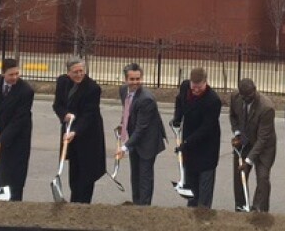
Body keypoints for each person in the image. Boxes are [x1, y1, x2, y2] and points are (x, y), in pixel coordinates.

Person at [52, 57, 106, 204]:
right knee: (74, 172)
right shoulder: (63, 82)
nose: (79, 74)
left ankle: (83, 206)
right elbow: (57, 105)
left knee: (87, 175)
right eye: (75, 72)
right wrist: (64, 115)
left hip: (89, 136)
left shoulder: (92, 88)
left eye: (81, 71)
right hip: (70, 135)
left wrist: (75, 131)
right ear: (68, 73)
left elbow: (89, 115)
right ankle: (74, 204)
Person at [115, 62, 166, 205]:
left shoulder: (146, 99)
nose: (135, 82)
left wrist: (125, 147)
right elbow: (127, 110)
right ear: (126, 79)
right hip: (134, 139)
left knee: (144, 177)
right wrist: (122, 125)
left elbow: (141, 128)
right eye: (132, 79)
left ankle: (144, 209)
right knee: (135, 175)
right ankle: (136, 204)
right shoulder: (123, 90)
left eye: (138, 79)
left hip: (148, 142)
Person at [171, 66, 222, 208]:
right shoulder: (185, 87)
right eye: (194, 87)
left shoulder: (213, 101)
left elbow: (206, 128)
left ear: (205, 82)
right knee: (191, 189)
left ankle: (203, 215)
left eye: (199, 87)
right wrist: (177, 117)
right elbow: (179, 101)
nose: (196, 90)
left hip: (206, 149)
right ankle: (191, 213)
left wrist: (187, 142)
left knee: (204, 191)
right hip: (189, 146)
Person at [0, 58, 33, 201]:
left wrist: (1, 141)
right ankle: (1, 201)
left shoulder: (26, 91)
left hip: (19, 136)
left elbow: (18, 120)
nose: (15, 78)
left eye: (17, 74)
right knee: (2, 169)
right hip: (1, 131)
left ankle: (14, 203)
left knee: (16, 174)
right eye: (11, 75)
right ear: (3, 74)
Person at [229, 78, 277, 212]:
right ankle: (241, 208)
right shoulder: (235, 97)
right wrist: (237, 134)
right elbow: (233, 116)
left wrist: (248, 161)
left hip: (264, 146)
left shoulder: (266, 107)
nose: (247, 100)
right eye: (244, 97)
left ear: (255, 90)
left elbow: (262, 139)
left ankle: (259, 212)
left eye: (250, 96)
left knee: (263, 178)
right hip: (244, 142)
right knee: (239, 175)